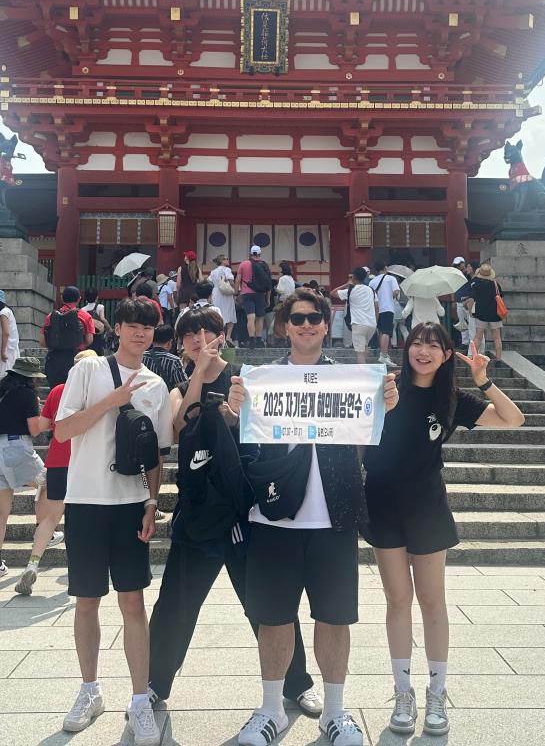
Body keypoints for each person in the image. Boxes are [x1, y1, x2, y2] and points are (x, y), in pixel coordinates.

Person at [227, 289, 398, 746]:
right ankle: (271, 709)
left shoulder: (350, 381)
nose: (306, 325)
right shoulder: (263, 380)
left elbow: (366, 442)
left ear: (326, 325)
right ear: (285, 326)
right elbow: (245, 439)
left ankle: (335, 712)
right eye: (298, 318)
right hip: (275, 515)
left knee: (335, 617)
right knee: (274, 618)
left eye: (314, 318)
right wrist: (234, 407)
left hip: (334, 514)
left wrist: (384, 405)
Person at [148, 306, 321, 719]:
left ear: (220, 335)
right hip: (199, 509)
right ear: (181, 342)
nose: (197, 340)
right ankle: (154, 684)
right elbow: (178, 428)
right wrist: (197, 376)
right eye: (189, 334)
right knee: (175, 602)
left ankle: (297, 684)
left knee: (268, 604)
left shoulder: (247, 377)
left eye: (205, 331)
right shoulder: (178, 387)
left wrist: (235, 413)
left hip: (246, 507)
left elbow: (269, 429)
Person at [362, 324, 524, 736]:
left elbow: (513, 419)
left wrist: (484, 381)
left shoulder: (452, 399)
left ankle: (437, 693)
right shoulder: (385, 387)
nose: (424, 350)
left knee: (432, 602)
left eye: (434, 346)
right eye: (417, 342)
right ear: (407, 349)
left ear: (447, 355)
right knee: (397, 600)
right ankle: (402, 693)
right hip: (382, 504)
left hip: (427, 508)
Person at [54, 298, 172, 744]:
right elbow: (63, 430)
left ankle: (140, 700)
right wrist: (112, 401)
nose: (140, 333)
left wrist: (151, 503)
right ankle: (89, 689)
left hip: (130, 503)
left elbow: (156, 453)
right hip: (85, 499)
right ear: (117, 328)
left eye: (148, 327)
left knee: (133, 602)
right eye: (133, 325)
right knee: (86, 600)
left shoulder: (156, 384)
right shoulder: (88, 370)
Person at [14, 349, 98, 596]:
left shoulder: (58, 390)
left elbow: (40, 426)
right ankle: (80, 570)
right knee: (85, 520)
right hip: (87, 462)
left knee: (51, 519)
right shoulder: (97, 393)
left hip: (58, 462)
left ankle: (33, 564)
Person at [0, 357, 46, 581]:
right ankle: (45, 530)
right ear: (30, 378)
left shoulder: (0, 393)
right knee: (50, 483)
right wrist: (44, 414)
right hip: (16, 448)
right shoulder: (27, 395)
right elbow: (35, 430)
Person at [41, 286, 95, 389]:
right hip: (75, 360)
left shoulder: (50, 316)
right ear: (79, 299)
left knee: (56, 392)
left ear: (62, 298)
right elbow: (89, 340)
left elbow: (43, 342)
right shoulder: (85, 316)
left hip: (54, 361)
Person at [331, 268, 377, 364]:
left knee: (359, 352)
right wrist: (375, 321)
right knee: (365, 346)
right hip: (371, 324)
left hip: (358, 323)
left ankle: (362, 371)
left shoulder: (350, 290)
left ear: (354, 277)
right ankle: (364, 366)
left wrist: (347, 284)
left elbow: (332, 293)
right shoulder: (371, 290)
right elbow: (377, 307)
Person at [235, 245, 273, 348]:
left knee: (250, 317)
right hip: (260, 294)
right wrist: (268, 298)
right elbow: (268, 283)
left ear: (251, 253)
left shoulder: (244, 264)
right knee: (260, 317)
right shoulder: (264, 265)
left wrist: (236, 293)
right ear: (260, 253)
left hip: (247, 294)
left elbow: (237, 280)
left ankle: (252, 340)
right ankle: (259, 340)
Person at [469, 264, 505, 360]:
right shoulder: (495, 284)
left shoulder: (476, 284)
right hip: (495, 314)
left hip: (481, 313)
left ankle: (474, 358)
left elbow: (472, 299)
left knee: (478, 337)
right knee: (497, 337)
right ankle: (498, 359)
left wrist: (470, 310)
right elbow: (501, 297)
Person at [370, 262, 400, 368]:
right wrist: (389, 298)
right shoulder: (391, 278)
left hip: (377, 309)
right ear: (385, 268)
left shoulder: (372, 281)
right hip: (387, 308)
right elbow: (396, 292)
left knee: (381, 331)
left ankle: (382, 354)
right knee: (386, 332)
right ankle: (384, 355)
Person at [0, 289, 20, 385]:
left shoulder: (3, 313)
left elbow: (6, 332)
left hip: (6, 351)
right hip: (9, 350)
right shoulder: (6, 311)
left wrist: (3, 351)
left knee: (3, 379)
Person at [142, 324, 187, 392]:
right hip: (165, 397)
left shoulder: (141, 356)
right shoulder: (174, 360)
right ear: (170, 342)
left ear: (152, 340)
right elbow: (183, 384)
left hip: (143, 396)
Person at [208, 254, 237, 344]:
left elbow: (209, 282)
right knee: (230, 313)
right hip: (226, 293)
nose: (228, 260)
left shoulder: (213, 272)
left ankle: (220, 335)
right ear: (222, 261)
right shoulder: (226, 269)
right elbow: (231, 281)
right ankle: (228, 336)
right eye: (226, 259)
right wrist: (235, 290)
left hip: (216, 293)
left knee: (218, 314)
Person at [82, 288, 110, 356]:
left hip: (87, 336)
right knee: (98, 355)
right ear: (97, 297)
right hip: (98, 336)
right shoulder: (100, 307)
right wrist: (109, 329)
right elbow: (102, 319)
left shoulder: (82, 310)